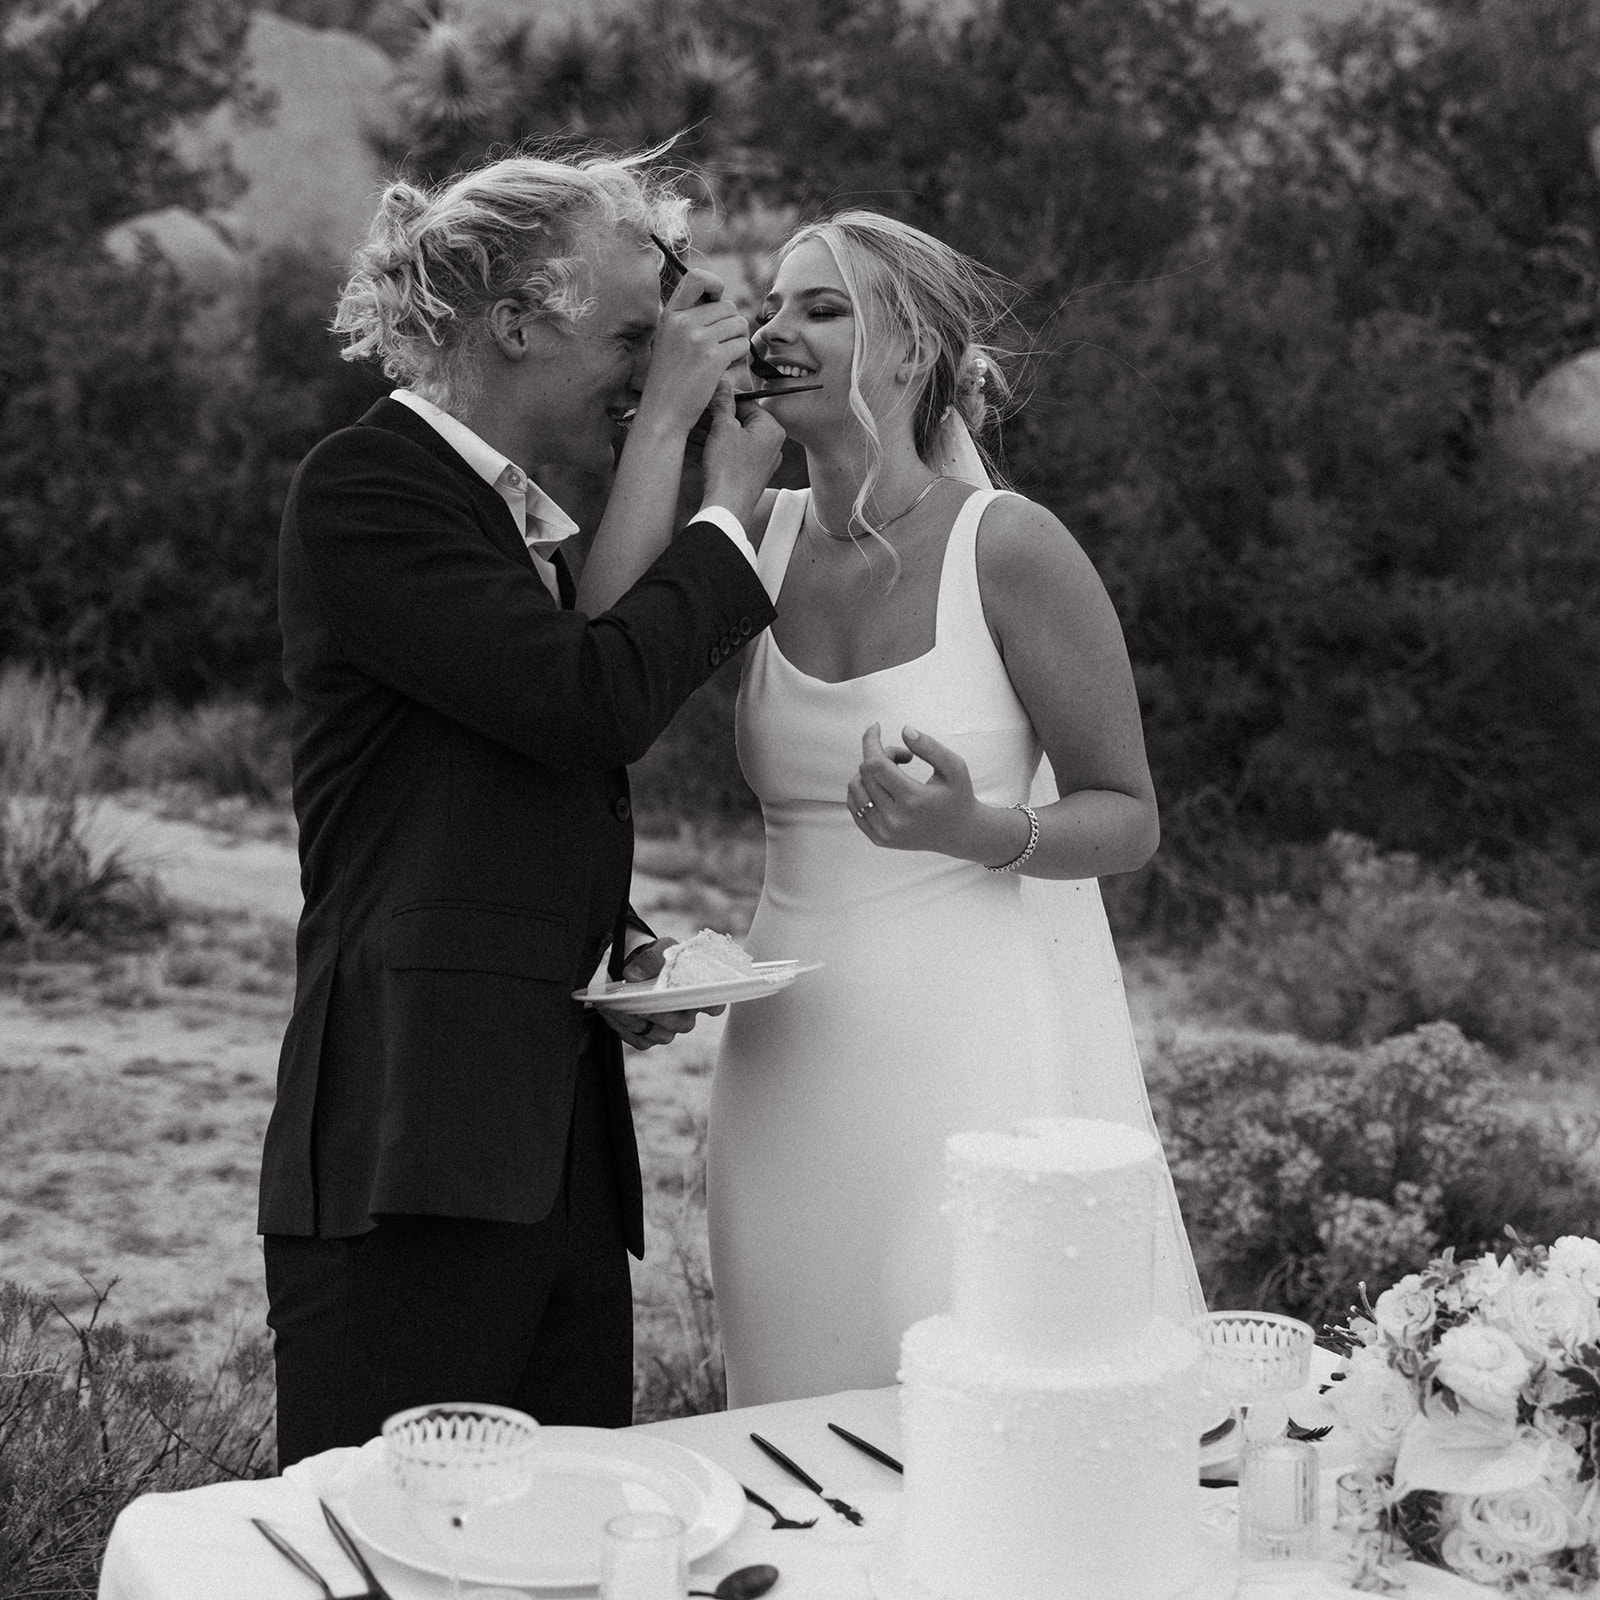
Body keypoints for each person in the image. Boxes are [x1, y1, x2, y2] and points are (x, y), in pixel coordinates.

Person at [257, 149, 784, 1466]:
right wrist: (717, 502)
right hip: (410, 1151)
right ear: (511, 324)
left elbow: (506, 772)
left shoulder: (511, 524)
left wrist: (610, 928)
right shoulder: (367, 486)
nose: (643, 366)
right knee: (402, 1545)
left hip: (544, 1154)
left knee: (564, 1539)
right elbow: (588, 702)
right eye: (626, 335)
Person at [710, 211, 1207, 1403]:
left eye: (820, 309)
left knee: (977, 1411)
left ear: (911, 350)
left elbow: (1127, 814)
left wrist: (981, 831)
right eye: (772, 306)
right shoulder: (752, 538)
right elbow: (593, 674)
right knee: (794, 1404)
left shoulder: (1012, 547)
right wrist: (702, 468)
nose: (777, 330)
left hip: (971, 1056)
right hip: (782, 1065)